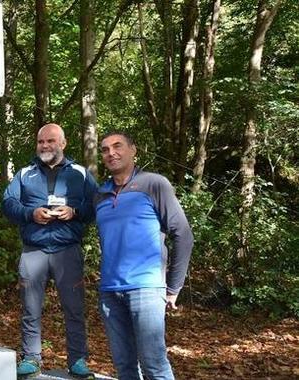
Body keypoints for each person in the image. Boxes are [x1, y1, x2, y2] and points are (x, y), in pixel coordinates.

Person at [2, 123, 98, 379]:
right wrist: (30, 213)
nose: (45, 146)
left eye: (50, 141)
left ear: (63, 144)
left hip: (68, 250)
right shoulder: (24, 174)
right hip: (33, 249)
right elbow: (8, 203)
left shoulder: (81, 173)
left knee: (74, 308)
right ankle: (31, 358)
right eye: (41, 141)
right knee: (30, 308)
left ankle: (77, 359)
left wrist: (75, 212)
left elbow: (97, 205)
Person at [95, 132, 193, 380]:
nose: (111, 153)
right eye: (105, 149)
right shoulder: (101, 193)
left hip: (146, 288)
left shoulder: (154, 184)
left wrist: (173, 287)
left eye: (117, 147)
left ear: (133, 150)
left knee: (154, 366)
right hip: (109, 292)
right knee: (125, 367)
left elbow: (182, 233)